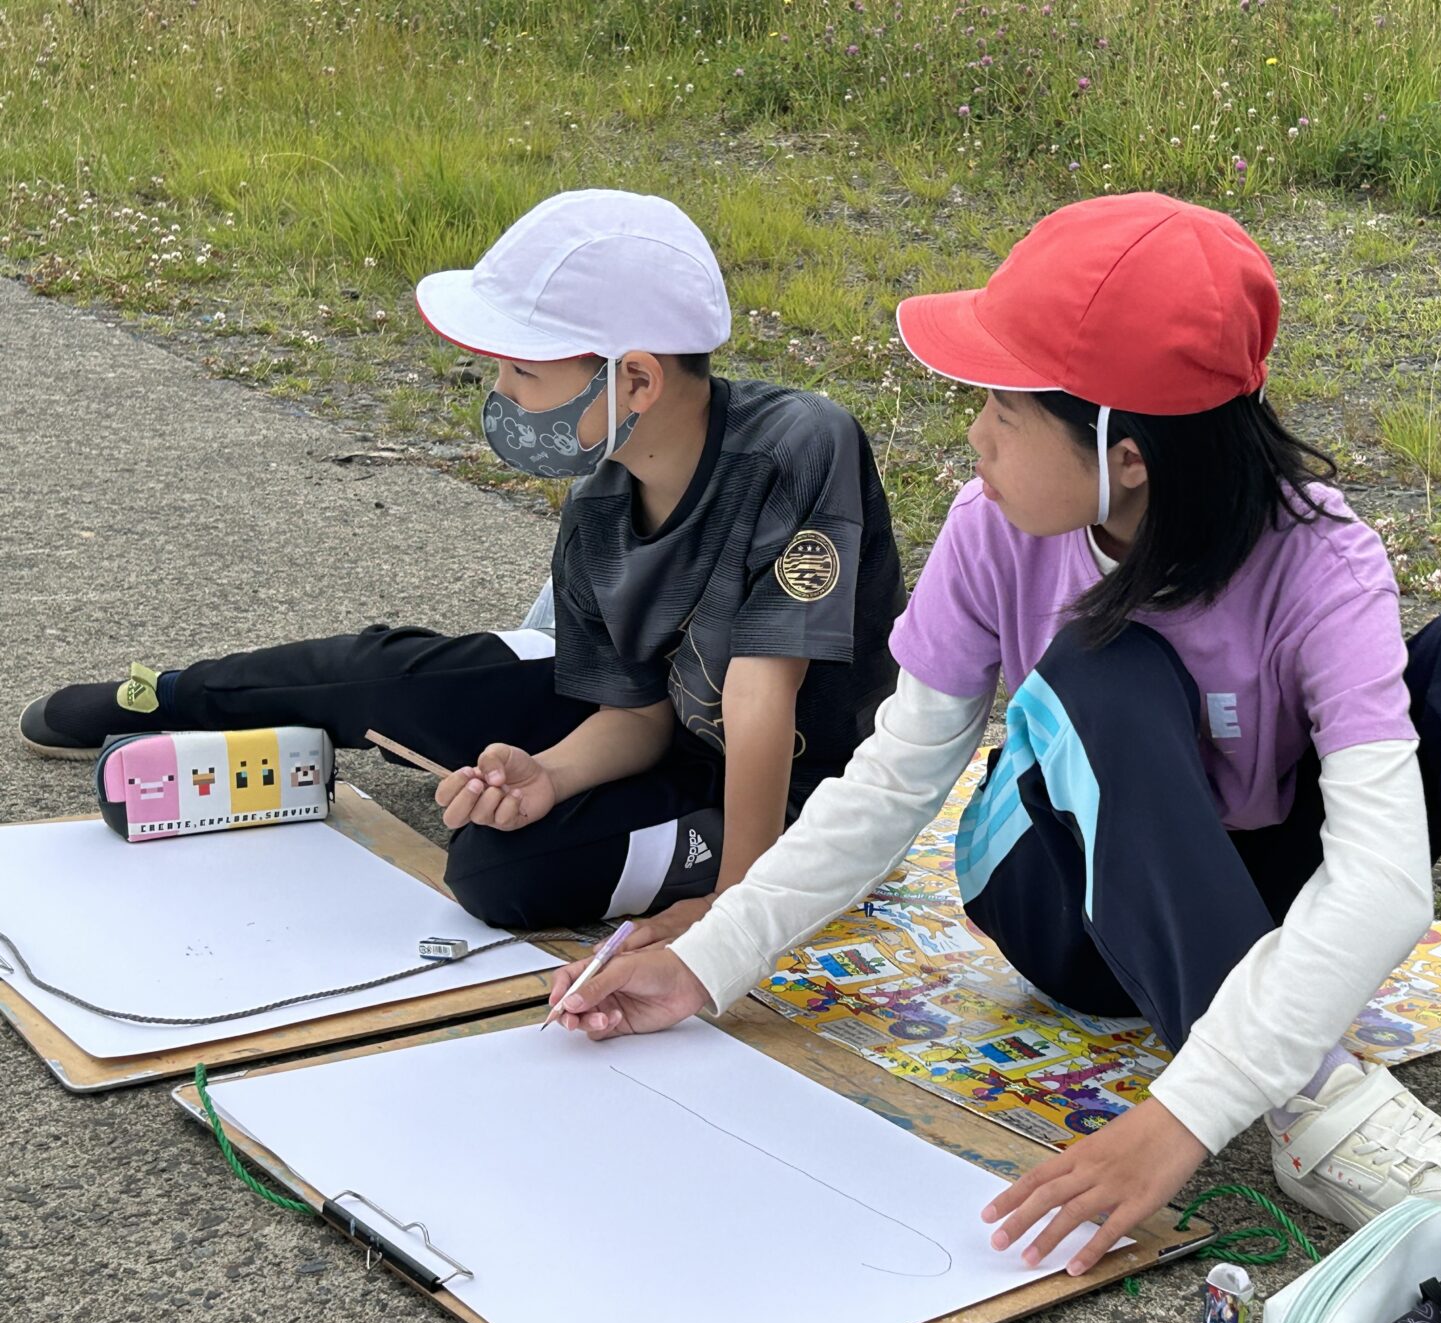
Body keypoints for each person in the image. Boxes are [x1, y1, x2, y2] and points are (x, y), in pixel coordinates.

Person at [541, 194, 1441, 1300]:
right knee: (1104, 663)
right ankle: (1314, 1106)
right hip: (1068, 899)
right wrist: (716, 956)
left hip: (1253, 886)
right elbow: (895, 776)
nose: (976, 438)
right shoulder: (993, 531)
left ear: (1127, 453)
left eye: (1005, 411)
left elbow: (1378, 876)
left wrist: (1175, 1118)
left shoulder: (1319, 554)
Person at [19, 190, 906, 942]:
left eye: (523, 369)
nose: (502, 395)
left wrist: (737, 914)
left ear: (635, 380)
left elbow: (759, 698)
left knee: (495, 873)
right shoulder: (601, 494)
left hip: (789, 789)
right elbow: (632, 713)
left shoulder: (797, 444)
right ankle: (174, 698)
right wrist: (548, 773)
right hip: (666, 730)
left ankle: (741, 859)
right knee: (383, 679)